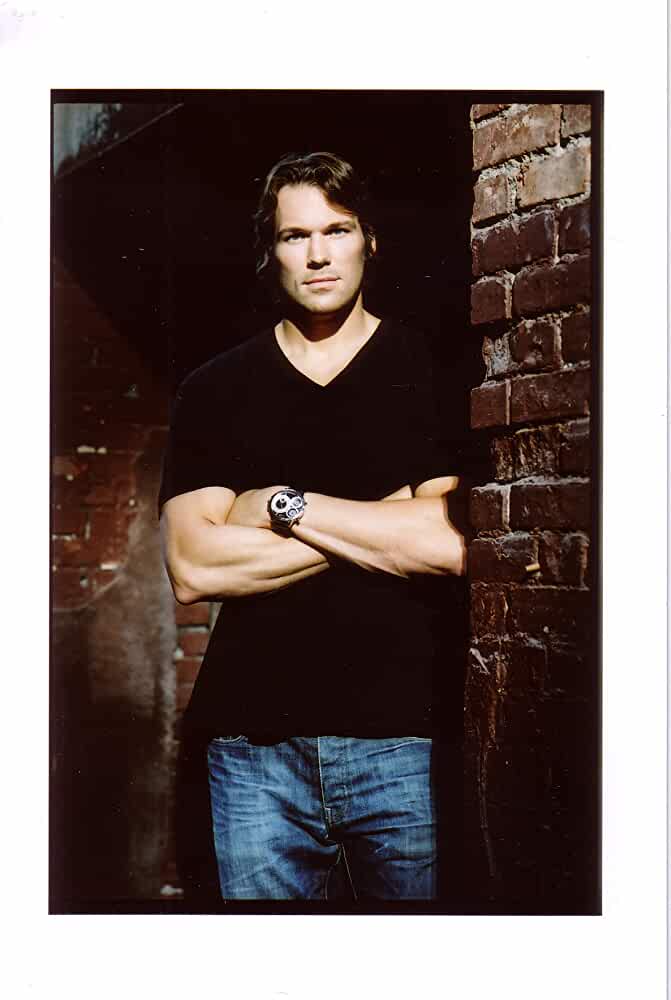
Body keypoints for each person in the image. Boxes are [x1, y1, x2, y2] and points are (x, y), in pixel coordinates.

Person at [159, 151, 470, 901]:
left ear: (370, 240)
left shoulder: (431, 371)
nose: (319, 254)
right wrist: (385, 522)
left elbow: (449, 545)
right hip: (252, 750)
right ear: (270, 252)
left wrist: (281, 505)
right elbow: (194, 567)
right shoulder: (214, 390)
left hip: (402, 740)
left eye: (338, 230)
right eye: (295, 236)